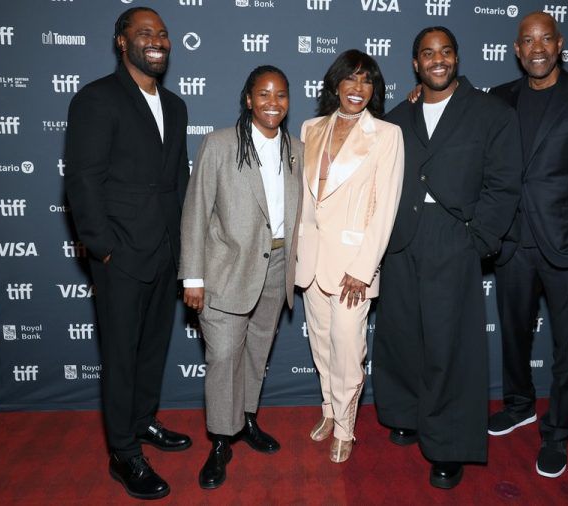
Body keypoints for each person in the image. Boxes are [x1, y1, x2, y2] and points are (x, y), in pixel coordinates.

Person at [371, 27, 522, 489]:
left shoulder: (491, 113)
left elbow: (504, 183)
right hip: (401, 238)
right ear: (415, 64)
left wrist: (478, 240)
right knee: (401, 335)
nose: (438, 60)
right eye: (428, 54)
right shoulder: (398, 116)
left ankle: (449, 444)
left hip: (453, 237)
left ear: (457, 58)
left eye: (446, 52)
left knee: (450, 346)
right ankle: (406, 414)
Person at [64, 6, 191, 501]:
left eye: (162, 33)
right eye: (144, 33)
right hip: (121, 254)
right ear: (122, 42)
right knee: (119, 357)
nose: (156, 40)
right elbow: (82, 179)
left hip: (164, 251)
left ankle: (142, 422)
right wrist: (103, 248)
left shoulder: (175, 106)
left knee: (152, 349)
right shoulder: (97, 99)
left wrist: (185, 249)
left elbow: (177, 182)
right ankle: (122, 452)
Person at [486, 11, 568, 479]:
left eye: (546, 39)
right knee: (514, 333)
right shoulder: (500, 98)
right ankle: (520, 405)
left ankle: (558, 432)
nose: (537, 48)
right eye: (528, 40)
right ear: (517, 50)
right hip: (514, 244)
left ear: (559, 44)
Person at [178, 66, 304, 489]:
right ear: (248, 99)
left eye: (281, 95)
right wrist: (192, 277)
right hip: (226, 272)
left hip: (278, 268)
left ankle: (247, 419)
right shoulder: (219, 144)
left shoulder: (297, 149)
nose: (273, 102)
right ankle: (220, 439)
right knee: (223, 358)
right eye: (264, 94)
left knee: (255, 353)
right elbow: (195, 212)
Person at [296, 50, 404, 463]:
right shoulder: (310, 128)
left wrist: (364, 268)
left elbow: (386, 206)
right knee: (322, 345)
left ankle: (346, 425)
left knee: (346, 346)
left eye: (367, 81)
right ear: (335, 84)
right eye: (351, 79)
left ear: (373, 90)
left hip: (352, 267)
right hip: (311, 259)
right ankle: (328, 410)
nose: (358, 89)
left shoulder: (387, 135)